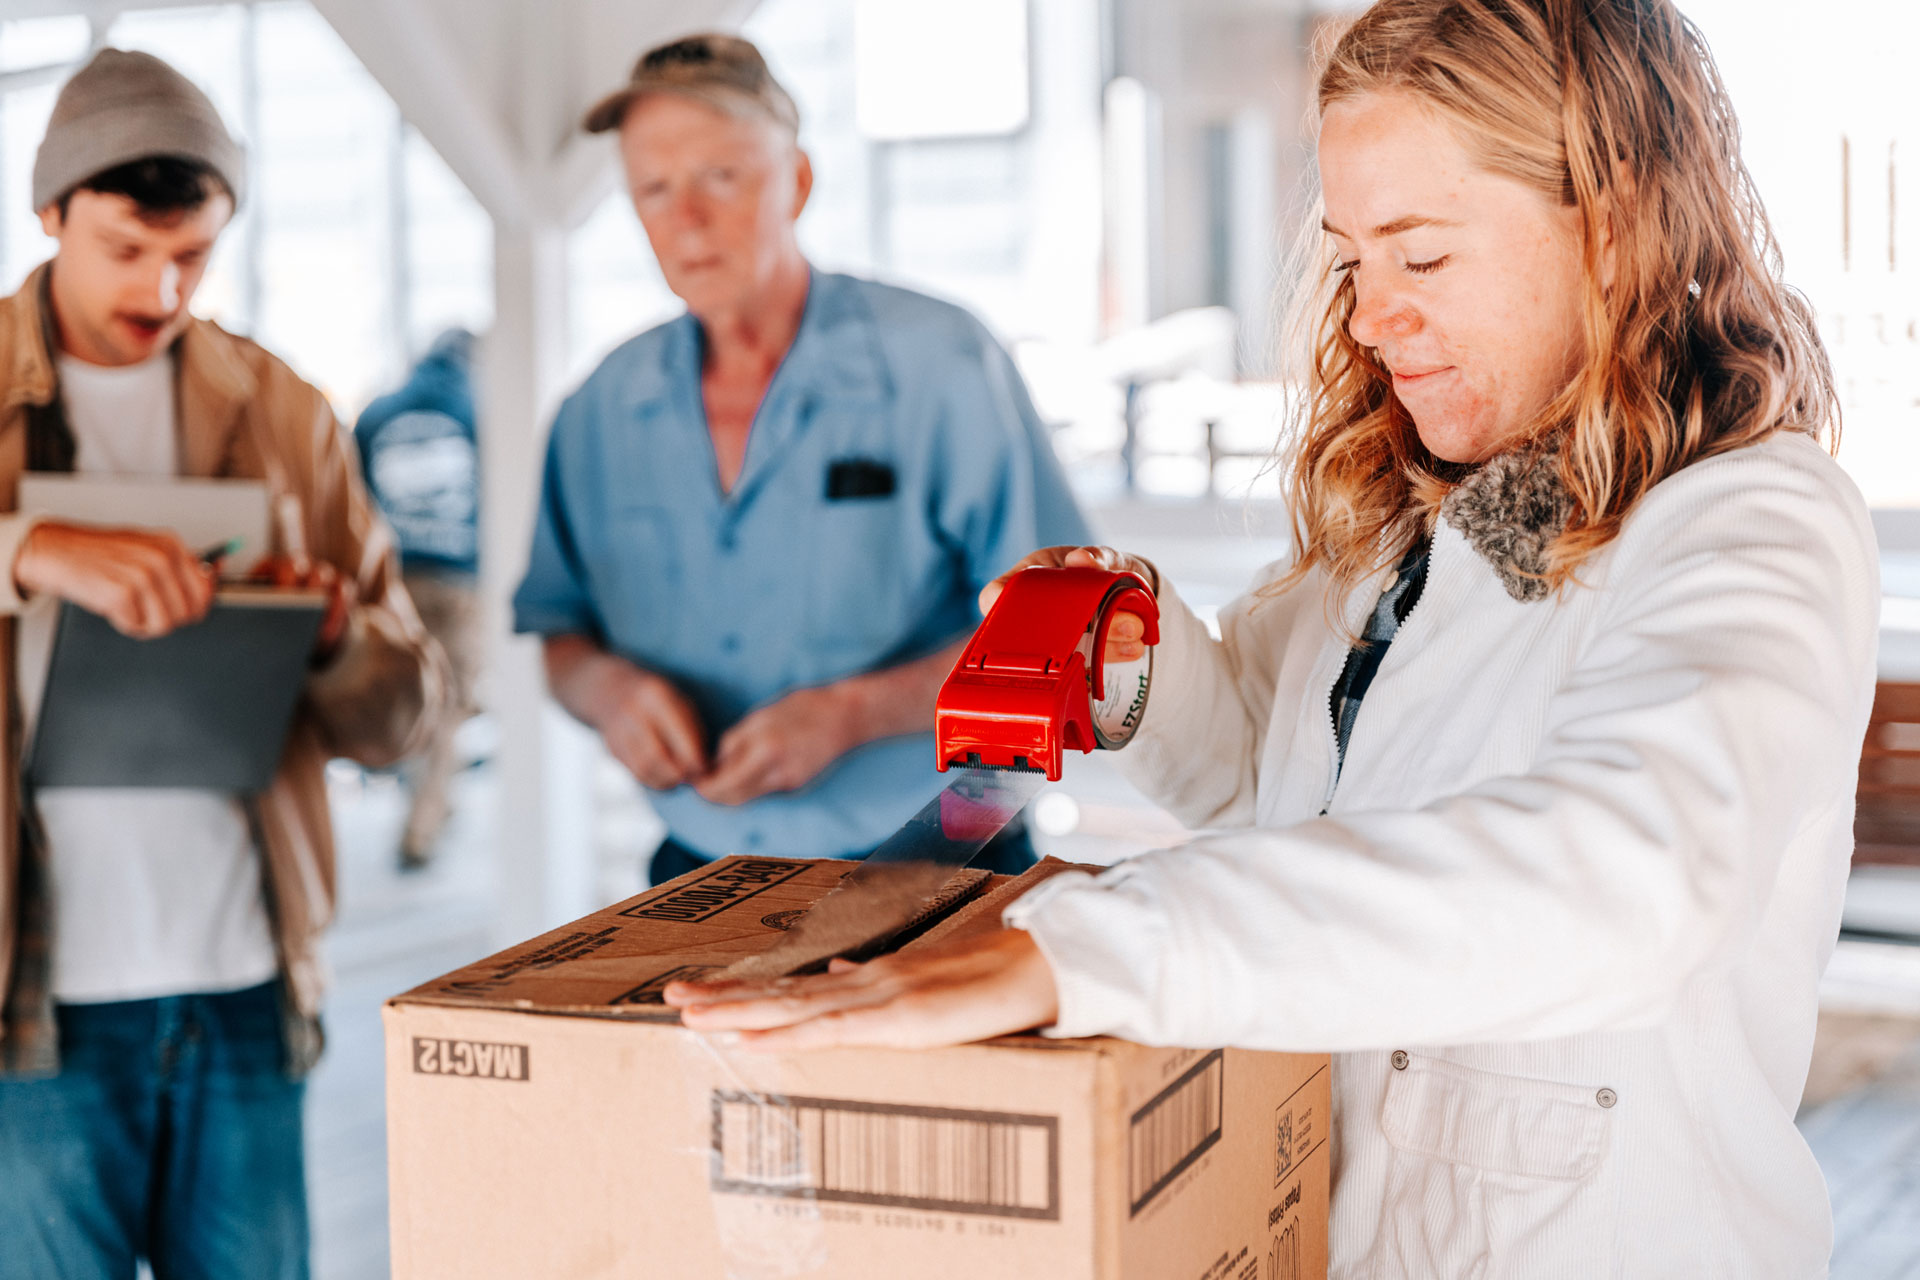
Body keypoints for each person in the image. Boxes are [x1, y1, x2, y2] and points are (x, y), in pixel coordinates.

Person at [667, 1, 1877, 1275]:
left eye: (1423, 257)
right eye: (1354, 261)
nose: (1366, 318)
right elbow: (1266, 779)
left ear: (1616, 225)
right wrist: (1135, 661)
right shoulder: (1431, 525)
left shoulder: (1754, 524)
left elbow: (1631, 874)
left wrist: (1088, 953)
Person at [0, 50, 447, 1279]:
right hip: (26, 1008)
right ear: (48, 213)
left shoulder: (289, 413)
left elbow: (411, 710)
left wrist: (336, 636)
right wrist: (31, 548)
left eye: (195, 251)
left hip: (247, 981)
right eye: (127, 248)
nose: (164, 286)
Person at [514, 34, 1092, 884]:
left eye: (722, 176)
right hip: (702, 870)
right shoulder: (594, 413)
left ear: (799, 181)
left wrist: (851, 715)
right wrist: (608, 693)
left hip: (952, 846)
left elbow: (1065, 629)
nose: (688, 220)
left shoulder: (942, 364)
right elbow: (560, 633)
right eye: (654, 189)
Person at [356, 328, 483, 869]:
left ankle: (427, 799)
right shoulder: (480, 411)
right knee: (449, 706)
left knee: (413, 698)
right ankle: (424, 822)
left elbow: (352, 496)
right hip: (459, 581)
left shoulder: (379, 412)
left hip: (396, 576)